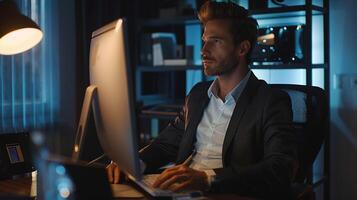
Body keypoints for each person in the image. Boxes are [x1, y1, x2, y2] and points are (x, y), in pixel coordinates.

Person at [107, 1, 297, 199]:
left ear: (242, 49)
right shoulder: (198, 94)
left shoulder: (270, 100)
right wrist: (133, 164)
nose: (203, 50)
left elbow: (280, 168)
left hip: (226, 193)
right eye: (204, 40)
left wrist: (208, 180)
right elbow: (166, 145)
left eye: (215, 41)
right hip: (183, 192)